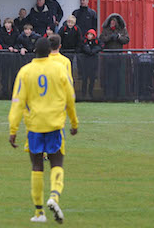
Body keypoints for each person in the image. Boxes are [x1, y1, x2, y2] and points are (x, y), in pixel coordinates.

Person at [8, 38, 78, 224]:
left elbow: (17, 102)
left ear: (34, 51)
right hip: (55, 125)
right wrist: (74, 122)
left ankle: (39, 213)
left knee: (37, 167)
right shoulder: (59, 69)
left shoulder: (25, 71)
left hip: (34, 127)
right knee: (57, 163)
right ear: (50, 51)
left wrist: (13, 129)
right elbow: (70, 98)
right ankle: (54, 197)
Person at [99, 14, 130, 99]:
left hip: (118, 55)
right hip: (107, 56)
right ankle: (107, 94)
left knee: (117, 75)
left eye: (113, 22)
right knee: (108, 75)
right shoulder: (106, 30)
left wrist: (119, 37)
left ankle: (117, 95)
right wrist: (109, 37)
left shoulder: (122, 30)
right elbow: (101, 38)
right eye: (111, 22)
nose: (112, 23)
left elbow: (127, 39)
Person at [79, 29, 101, 98]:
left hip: (93, 63)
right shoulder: (84, 41)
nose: (89, 36)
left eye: (91, 34)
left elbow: (102, 46)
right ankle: (83, 94)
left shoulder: (97, 41)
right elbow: (80, 46)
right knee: (84, 79)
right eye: (88, 34)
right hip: (85, 63)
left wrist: (94, 50)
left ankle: (91, 93)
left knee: (92, 79)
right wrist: (86, 49)